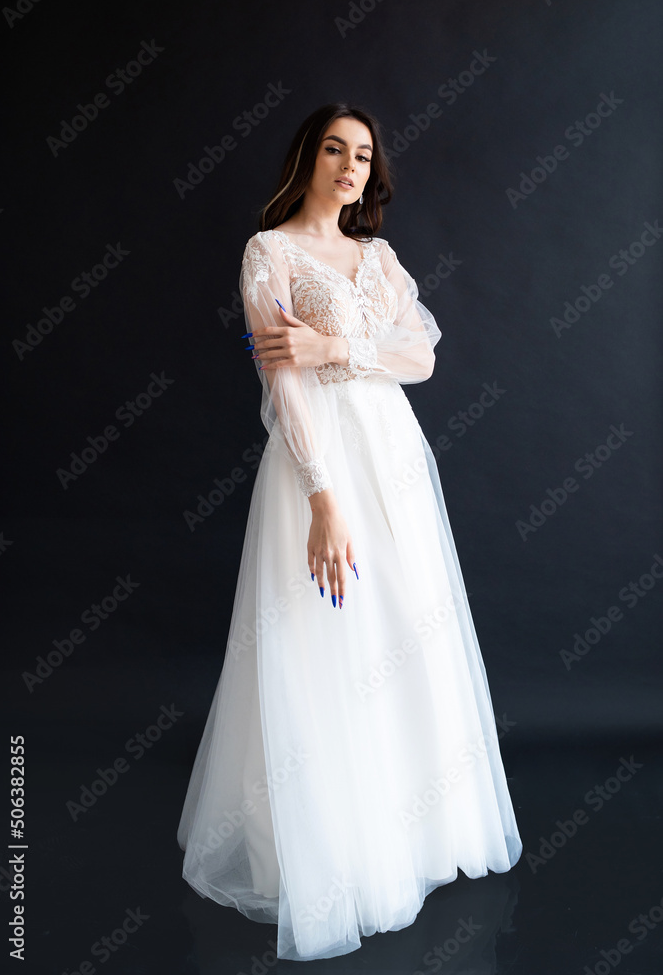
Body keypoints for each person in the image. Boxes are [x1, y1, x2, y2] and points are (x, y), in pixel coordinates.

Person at [177, 102, 522, 962]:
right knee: (327, 640)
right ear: (308, 157)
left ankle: (412, 834)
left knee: (404, 631)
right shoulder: (269, 253)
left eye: (363, 156)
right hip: (322, 463)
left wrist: (334, 349)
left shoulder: (378, 257)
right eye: (334, 149)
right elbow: (283, 385)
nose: (349, 166)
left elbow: (422, 358)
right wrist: (323, 499)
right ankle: (333, 850)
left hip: (393, 456)